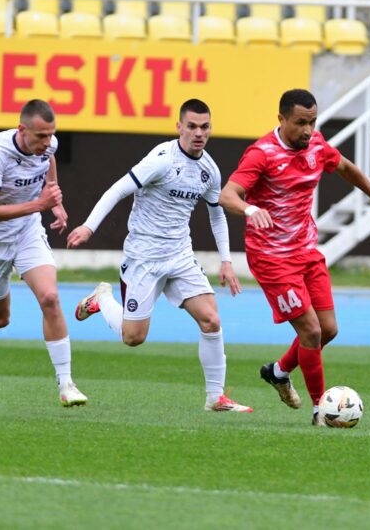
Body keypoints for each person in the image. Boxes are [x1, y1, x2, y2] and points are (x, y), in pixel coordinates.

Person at [219, 88, 370, 426]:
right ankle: (322, 410)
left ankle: (278, 372)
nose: (308, 130)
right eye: (300, 123)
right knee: (311, 332)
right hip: (272, 258)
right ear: (282, 119)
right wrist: (250, 209)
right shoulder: (262, 154)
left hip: (306, 251)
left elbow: (345, 167)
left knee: (328, 329)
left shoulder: (317, 145)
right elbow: (227, 195)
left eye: (313, 122)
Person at [67, 99, 253, 413]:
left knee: (211, 320)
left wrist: (226, 260)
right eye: (192, 126)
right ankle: (102, 299)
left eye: (204, 127)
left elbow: (216, 214)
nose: (199, 133)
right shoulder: (162, 159)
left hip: (180, 255)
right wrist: (88, 226)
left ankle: (215, 398)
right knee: (133, 338)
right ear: (179, 127)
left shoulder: (209, 170)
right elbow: (117, 190)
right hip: (144, 257)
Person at [0, 99, 87, 407]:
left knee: (50, 297)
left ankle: (66, 385)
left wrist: (55, 200)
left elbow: (49, 165)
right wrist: (40, 204)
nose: (47, 142)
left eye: (51, 135)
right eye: (41, 136)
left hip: (27, 231)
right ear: (21, 129)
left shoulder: (48, 145)